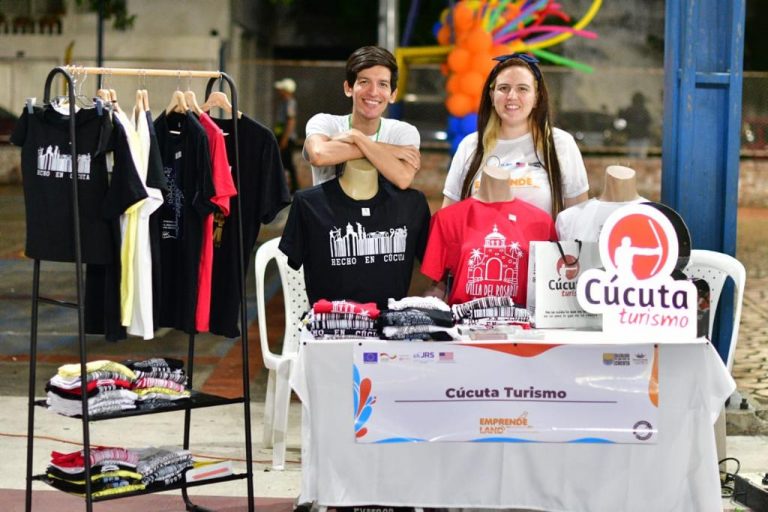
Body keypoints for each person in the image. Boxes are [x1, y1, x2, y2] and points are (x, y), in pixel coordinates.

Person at [442, 53, 589, 219]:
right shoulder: (470, 145)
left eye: (522, 89)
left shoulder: (559, 144)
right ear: (492, 96)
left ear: (536, 98)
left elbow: (579, 220)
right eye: (503, 88)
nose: (511, 96)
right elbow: (448, 218)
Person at [303, 45, 421, 189]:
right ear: (348, 88)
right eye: (364, 82)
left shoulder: (403, 132)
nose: (373, 92)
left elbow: (403, 179)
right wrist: (389, 149)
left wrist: (355, 137)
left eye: (382, 84)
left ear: (393, 95)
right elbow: (318, 155)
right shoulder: (324, 122)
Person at [274, 77, 299, 193]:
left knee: (287, 163)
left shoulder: (290, 103)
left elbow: (291, 121)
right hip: (281, 137)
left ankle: (293, 188)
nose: (280, 91)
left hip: (286, 138)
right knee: (283, 162)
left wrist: (284, 139)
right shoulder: (284, 102)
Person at [619, 91, 652, 159]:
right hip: (641, 137)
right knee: (641, 158)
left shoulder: (629, 110)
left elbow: (622, 123)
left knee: (632, 158)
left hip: (633, 137)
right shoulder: (644, 110)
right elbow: (649, 122)